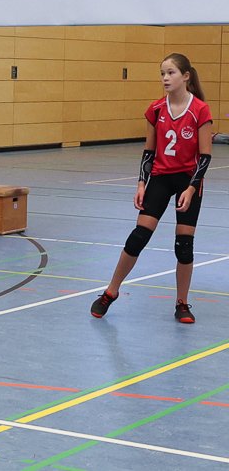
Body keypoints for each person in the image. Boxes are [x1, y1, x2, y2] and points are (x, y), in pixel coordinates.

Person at [91, 53, 213, 324]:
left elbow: (205, 156)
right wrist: (141, 183)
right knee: (138, 237)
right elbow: (149, 152)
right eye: (162, 74)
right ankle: (111, 291)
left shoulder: (200, 110)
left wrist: (191, 189)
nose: (165, 78)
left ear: (186, 76)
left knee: (184, 246)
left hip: (188, 180)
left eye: (171, 73)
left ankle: (182, 303)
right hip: (160, 177)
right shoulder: (156, 110)